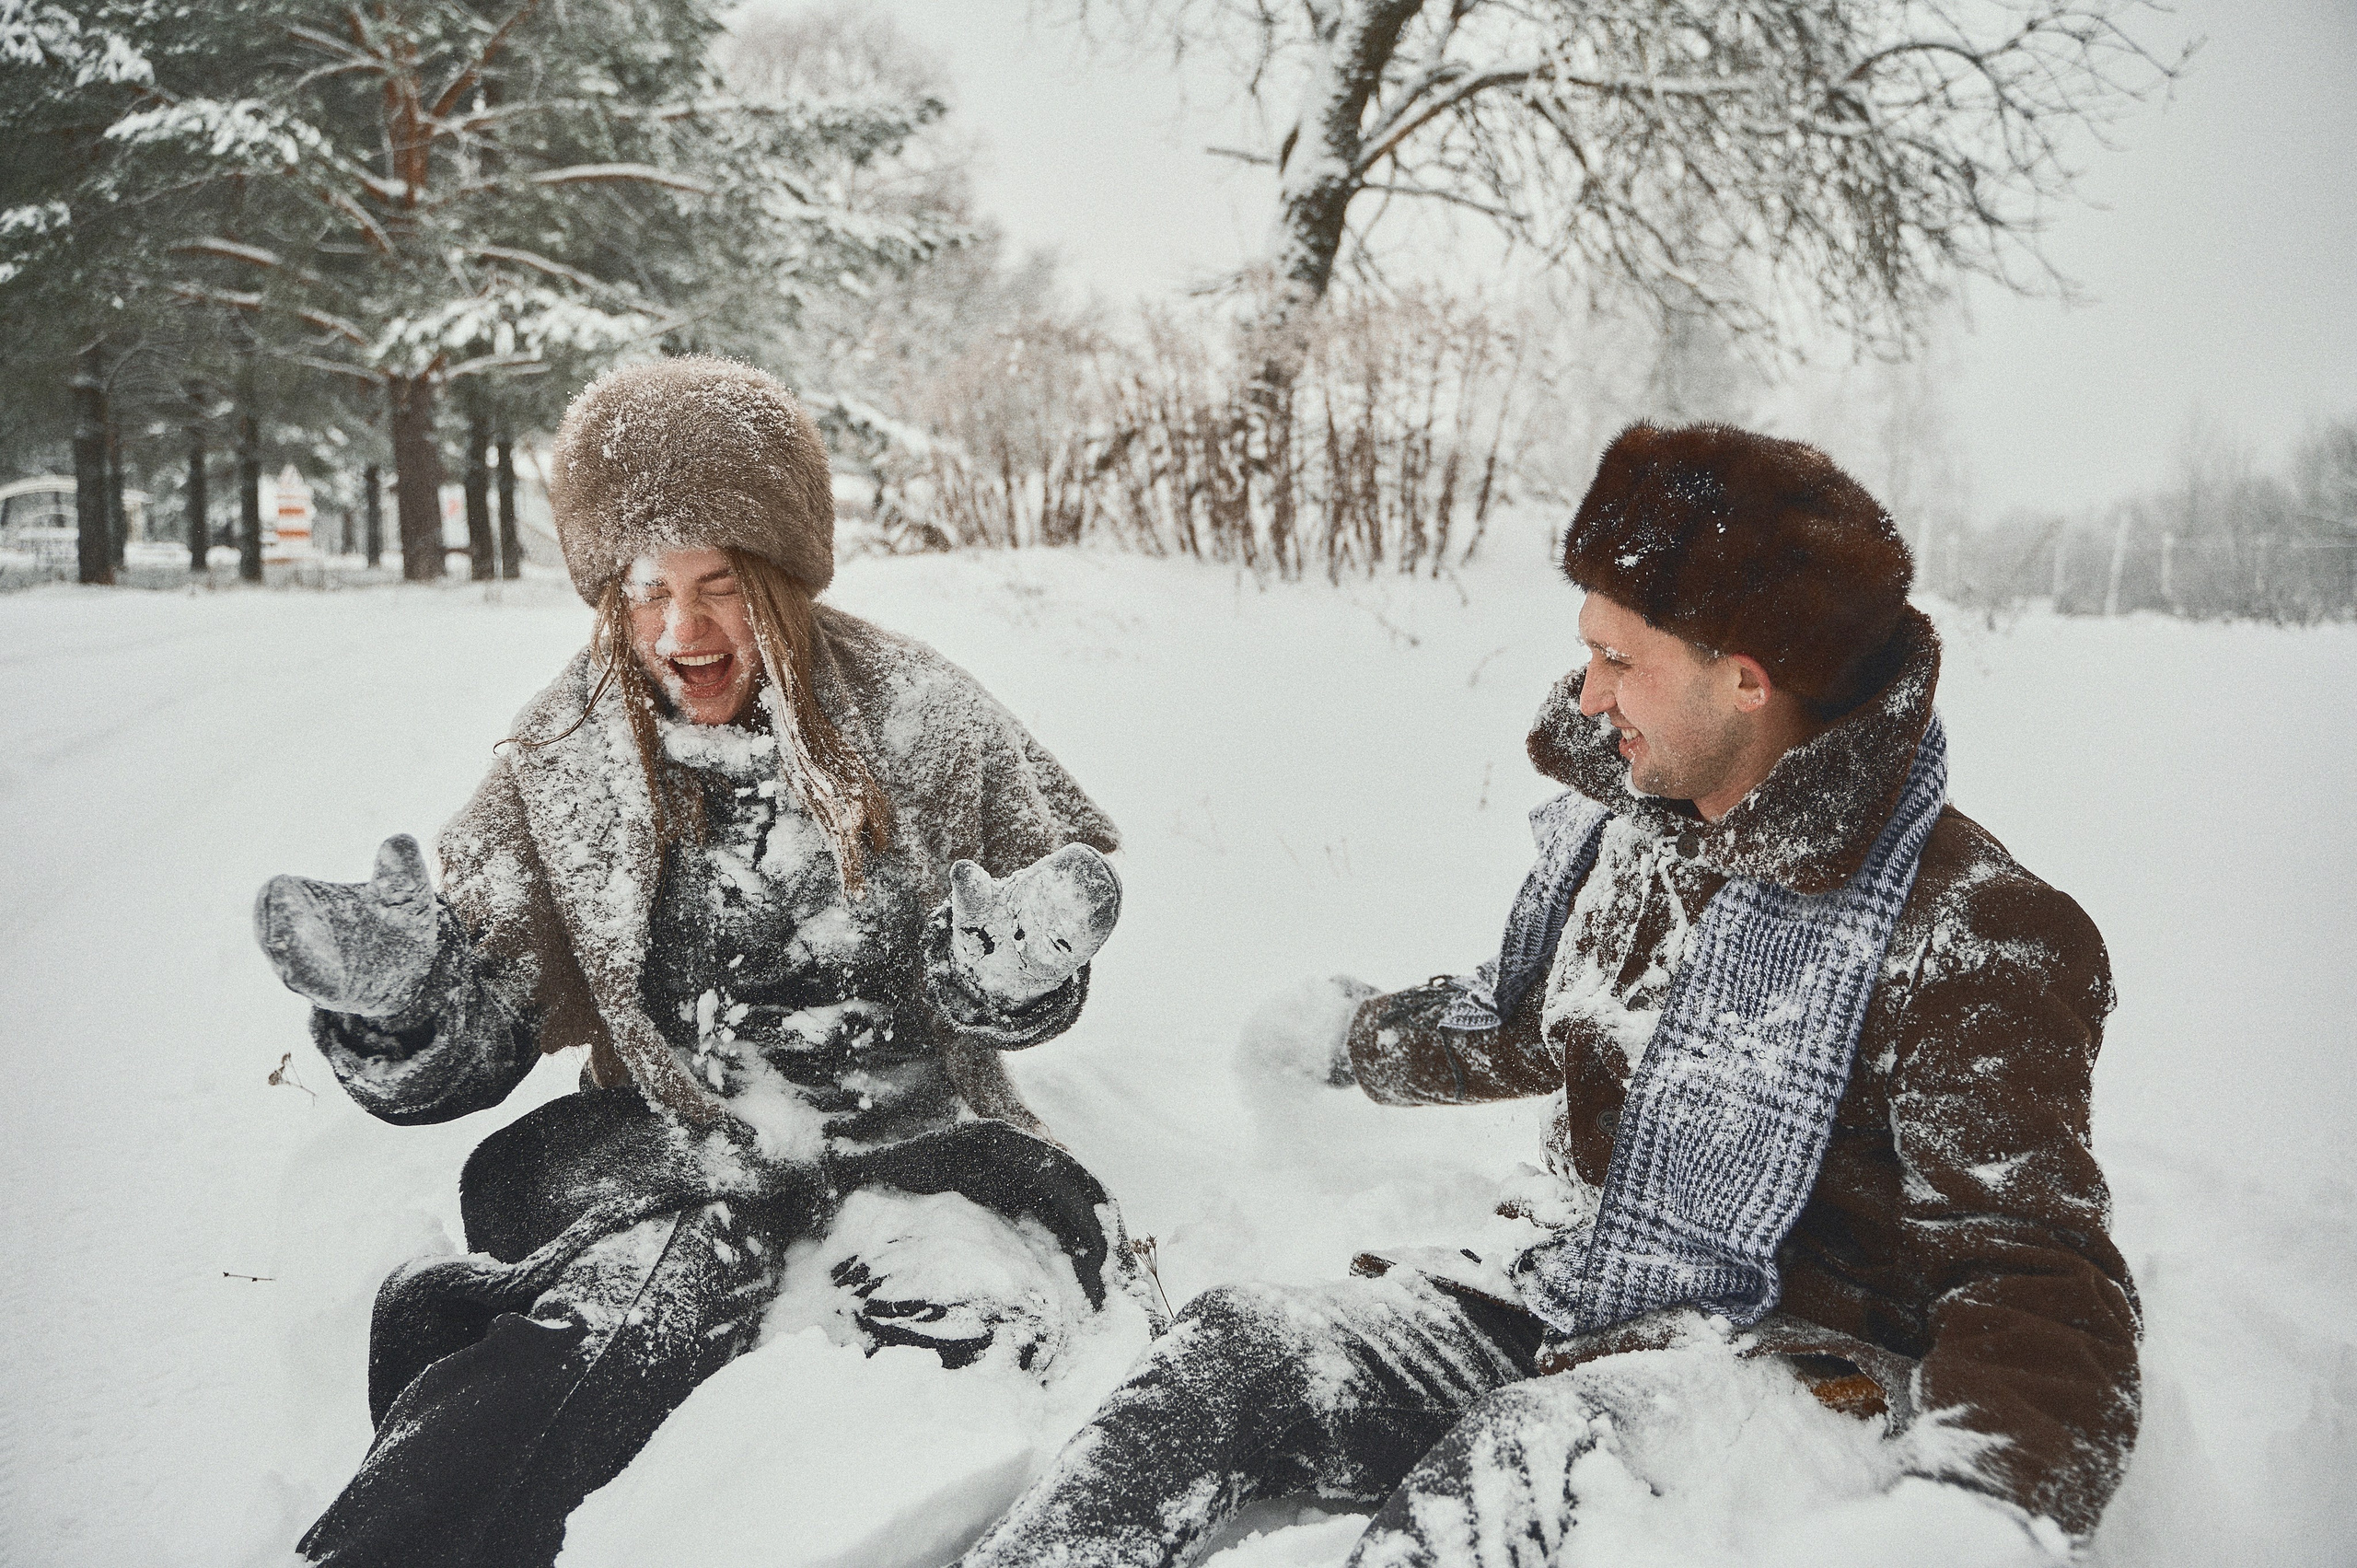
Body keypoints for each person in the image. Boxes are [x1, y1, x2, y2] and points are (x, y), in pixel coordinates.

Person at [958, 424, 2141, 1566]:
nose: (1584, 696)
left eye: (1620, 658)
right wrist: (1359, 1043)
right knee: (1233, 1352)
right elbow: (1548, 1025)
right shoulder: (1655, 831)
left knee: (1518, 1465)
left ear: (1745, 681)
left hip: (1783, 1361)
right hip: (1578, 1286)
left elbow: (2038, 1282)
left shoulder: (1976, 934)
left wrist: (1977, 1516)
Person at [254, 356, 1149, 1568]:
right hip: (676, 1161)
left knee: (957, 1372)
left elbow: (1031, 924)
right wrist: (407, 1008)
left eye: (720, 585)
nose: (683, 630)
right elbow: (487, 1023)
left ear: (778, 580)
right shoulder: (561, 754)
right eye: (648, 591)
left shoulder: (927, 715)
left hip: (920, 1153)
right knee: (580, 1354)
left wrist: (1015, 969)